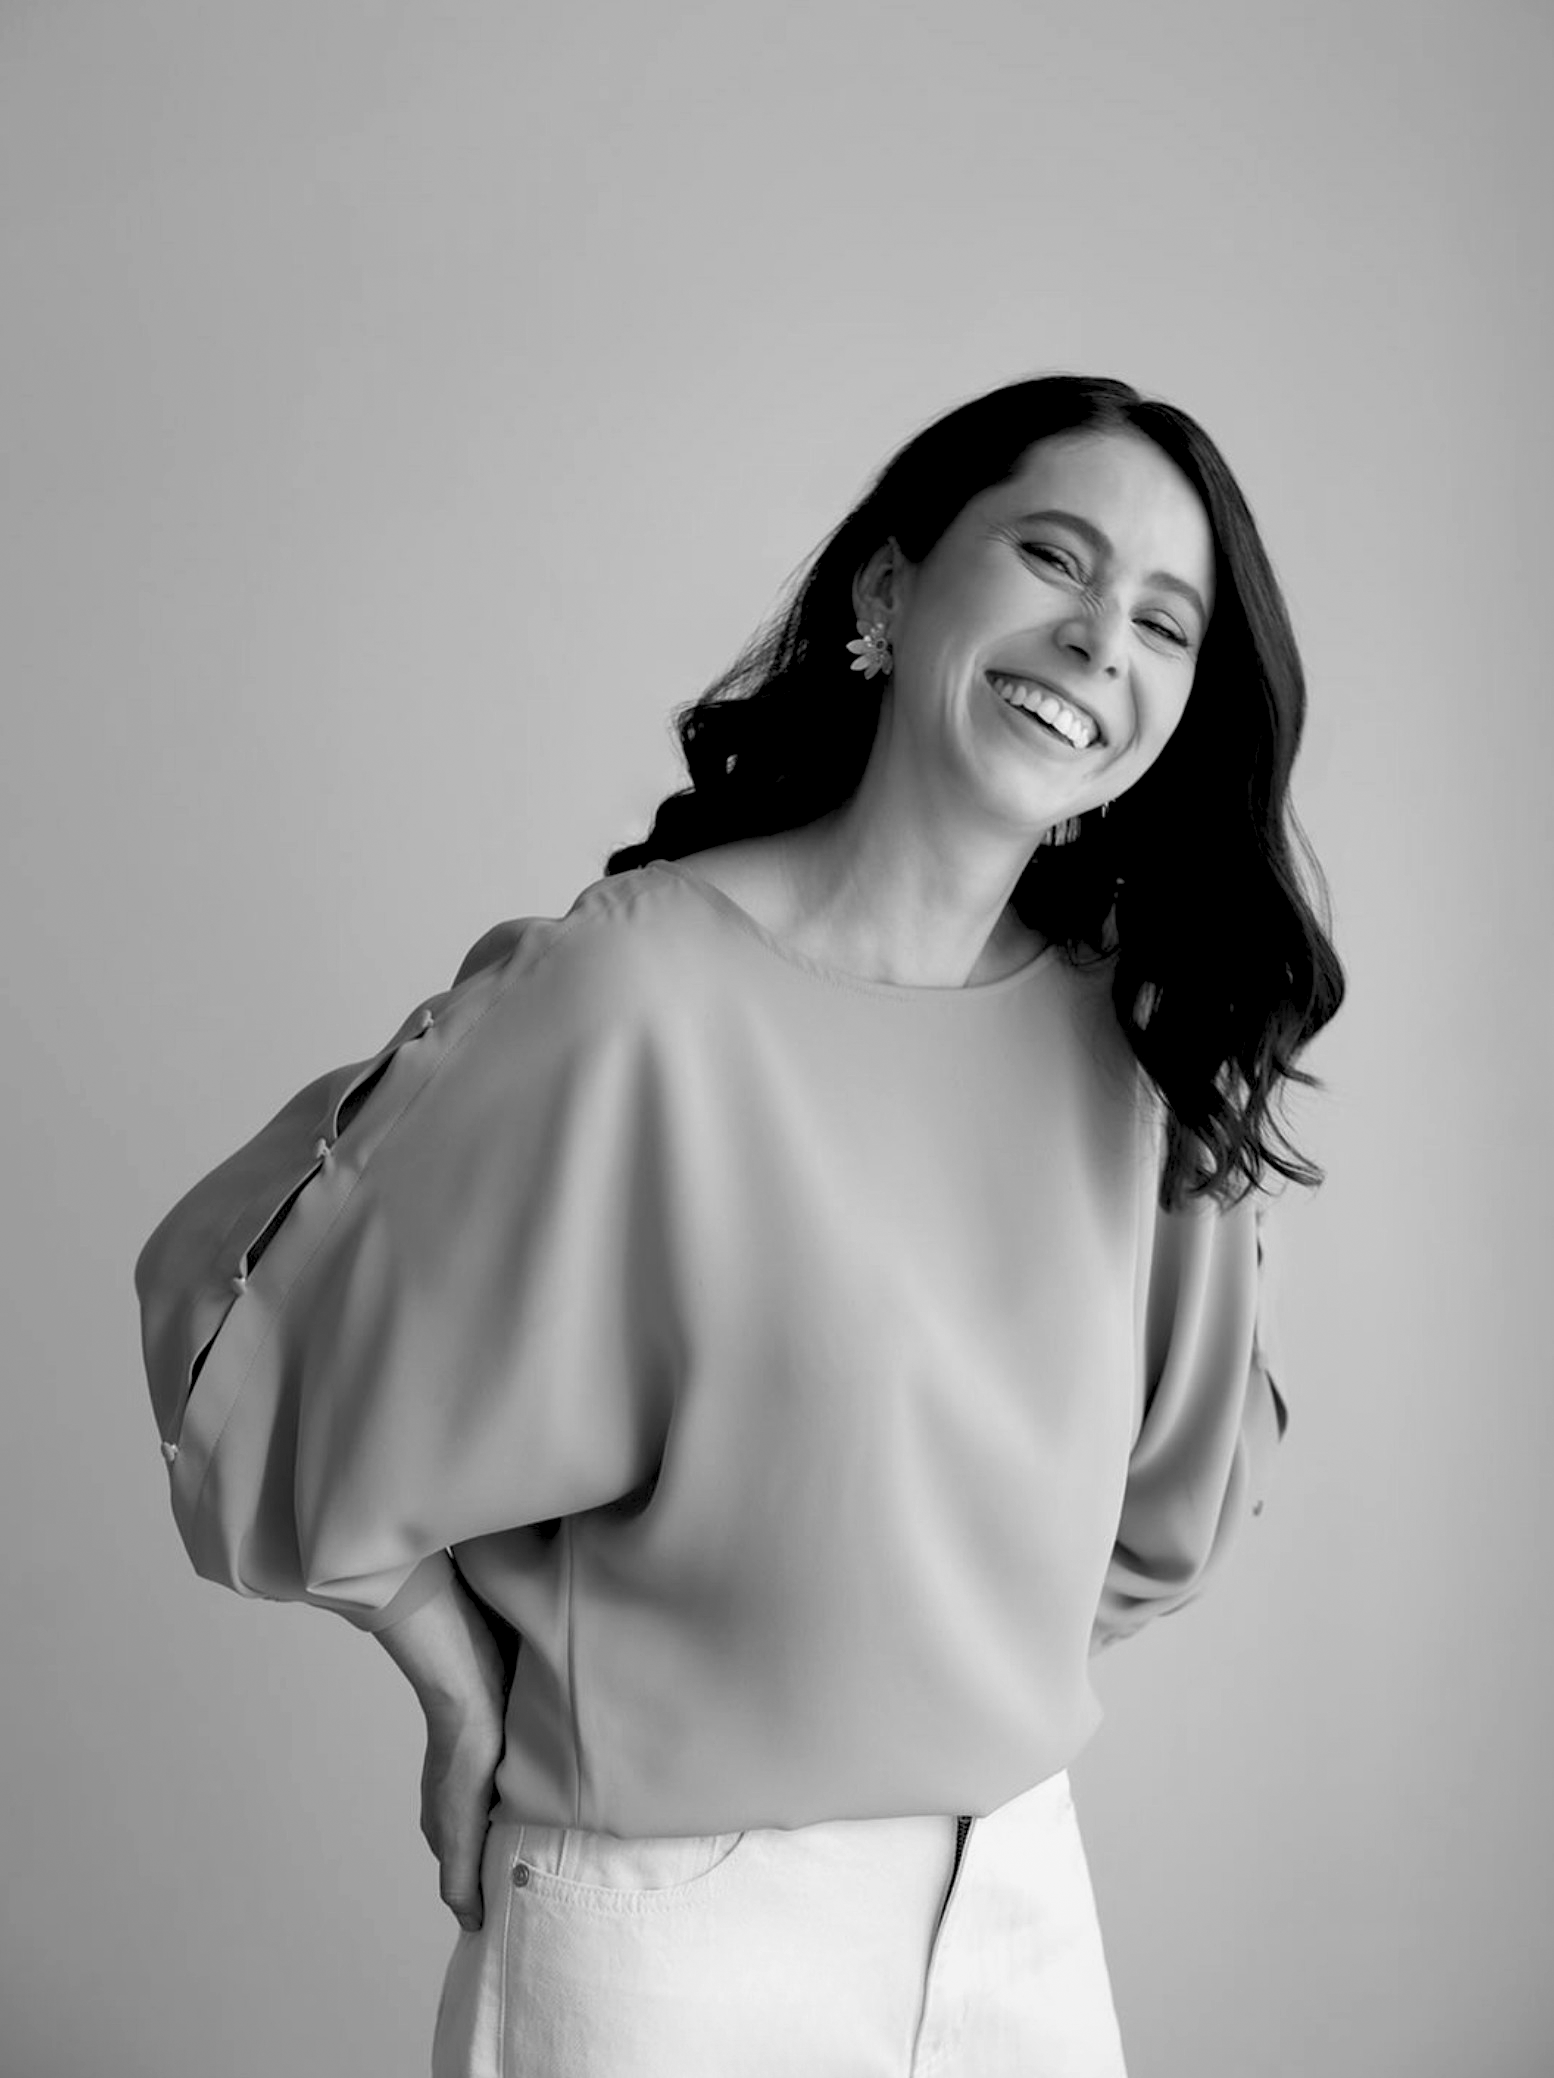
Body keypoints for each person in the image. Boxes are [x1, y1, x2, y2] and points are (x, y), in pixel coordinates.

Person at [134, 371, 1344, 2077]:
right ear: (887, 593)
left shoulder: (1130, 1047)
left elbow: (1165, 1510)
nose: (1096, 642)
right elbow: (234, 1340)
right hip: (672, 1932)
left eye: (1161, 622)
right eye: (1052, 559)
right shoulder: (631, 987)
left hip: (1018, 1909)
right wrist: (459, 1682)